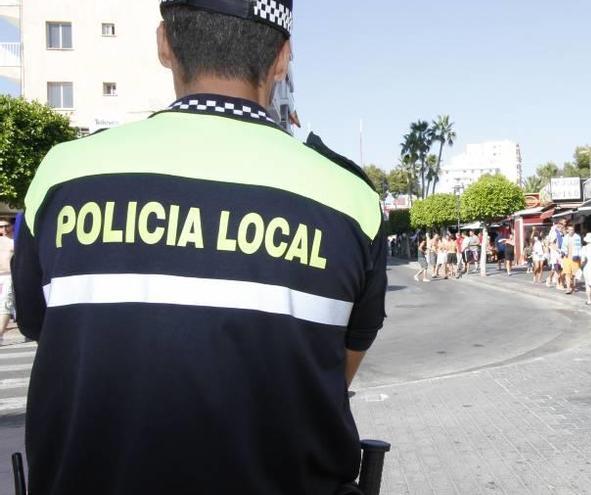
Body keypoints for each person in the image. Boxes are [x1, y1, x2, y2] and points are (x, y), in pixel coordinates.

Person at [12, 1, 388, 492]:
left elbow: (42, 325)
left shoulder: (64, 174)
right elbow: (338, 369)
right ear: (282, 58)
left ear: (164, 44)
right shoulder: (350, 198)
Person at [0, 218, 14, 338]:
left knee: (5, 304)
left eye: (6, 226)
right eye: (1, 227)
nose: (4, 229)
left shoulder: (14, 241)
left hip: (9, 276)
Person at [561, 225, 582, 294]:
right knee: (567, 273)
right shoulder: (565, 237)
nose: (571, 231)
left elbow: (579, 247)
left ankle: (573, 286)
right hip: (567, 258)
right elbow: (563, 247)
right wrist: (563, 253)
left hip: (575, 258)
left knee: (574, 274)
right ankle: (568, 288)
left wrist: (579, 256)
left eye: (572, 230)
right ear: (567, 230)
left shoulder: (577, 237)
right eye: (569, 230)